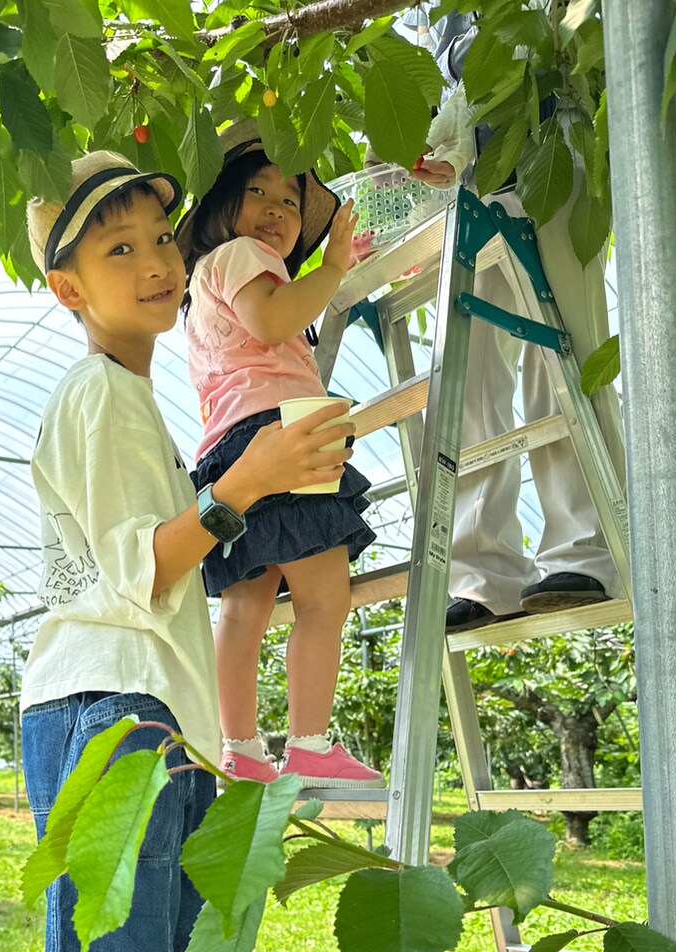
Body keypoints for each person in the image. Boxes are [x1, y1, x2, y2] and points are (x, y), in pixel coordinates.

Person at [22, 151, 354, 952]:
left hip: (86, 702)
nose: (156, 263)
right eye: (117, 249)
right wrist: (245, 483)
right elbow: (143, 566)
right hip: (115, 709)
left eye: (160, 239)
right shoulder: (101, 396)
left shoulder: (119, 399)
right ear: (70, 289)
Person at [178, 121, 383, 787]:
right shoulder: (244, 257)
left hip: (230, 453)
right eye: (258, 192)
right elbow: (273, 320)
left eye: (290, 202)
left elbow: (270, 317)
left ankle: (239, 747)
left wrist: (335, 270)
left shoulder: (207, 281)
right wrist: (332, 269)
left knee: (244, 608)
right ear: (222, 207)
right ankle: (309, 742)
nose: (276, 209)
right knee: (325, 597)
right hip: (281, 437)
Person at [412, 13, 626, 631]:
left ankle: (588, 550)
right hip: (475, 190)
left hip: (553, 152)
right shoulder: (432, 17)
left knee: (562, 359)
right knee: (469, 382)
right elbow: (457, 92)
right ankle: (486, 573)